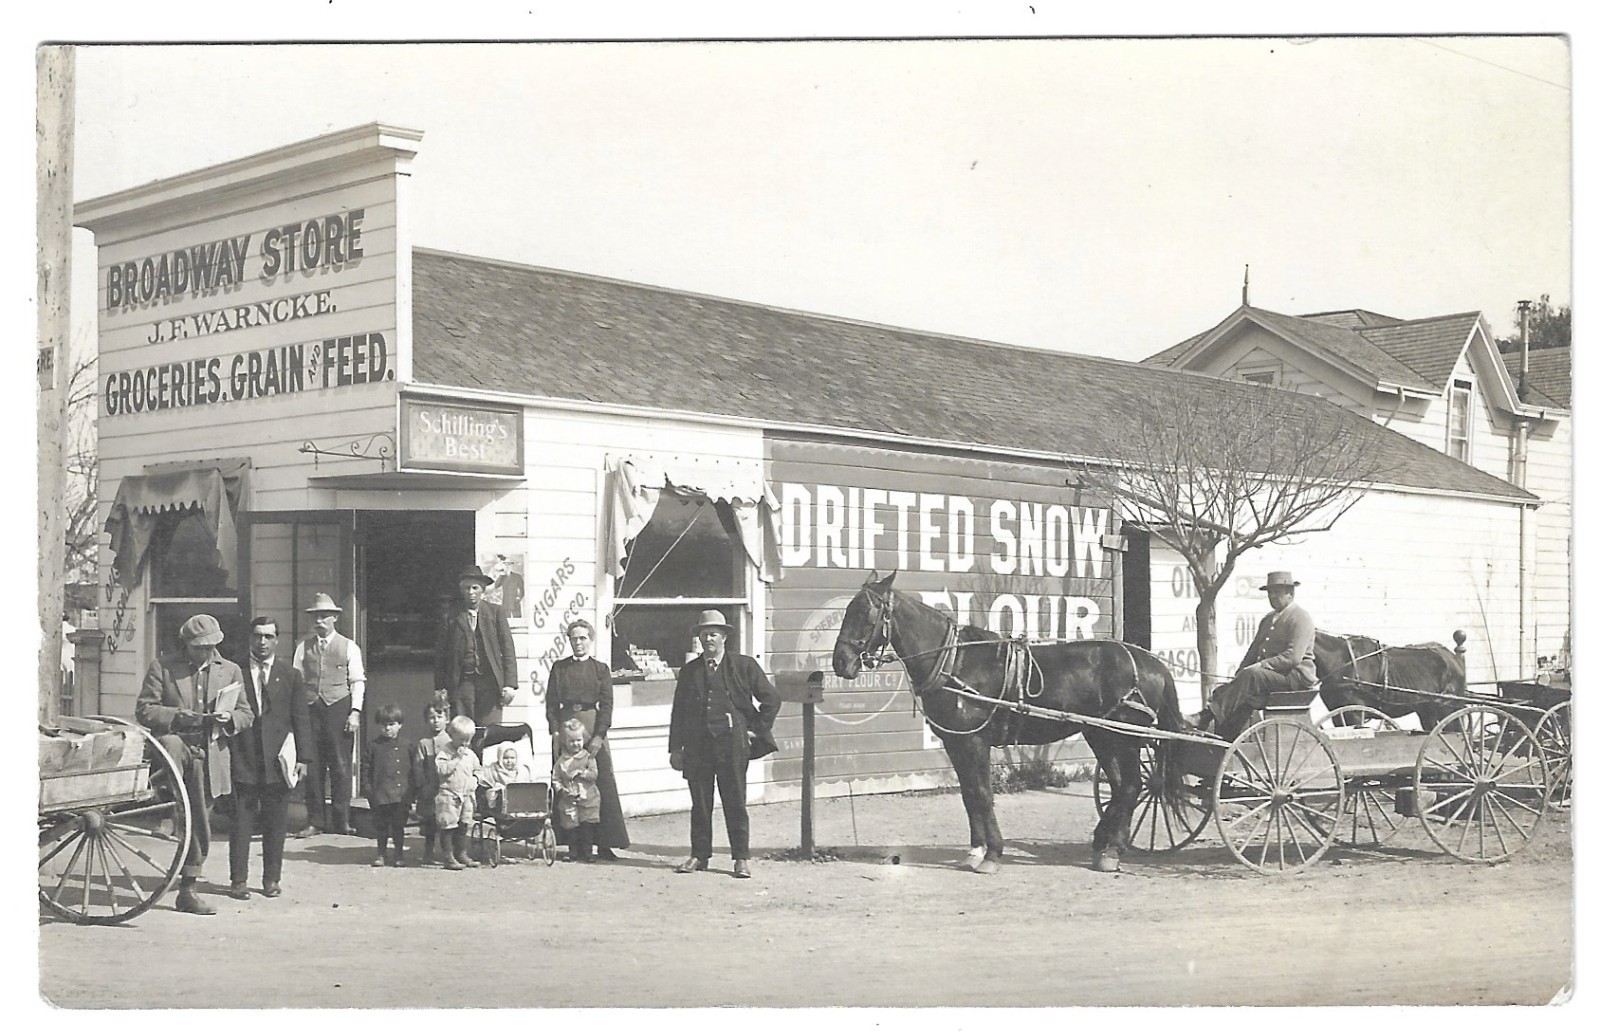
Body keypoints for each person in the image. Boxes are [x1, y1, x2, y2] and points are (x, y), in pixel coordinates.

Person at [136, 613, 249, 914]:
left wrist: (230, 720)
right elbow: (145, 710)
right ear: (186, 645)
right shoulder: (163, 667)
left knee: (200, 823)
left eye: (212, 645)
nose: (207, 652)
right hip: (176, 747)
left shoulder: (231, 671)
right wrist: (175, 716)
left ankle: (188, 888)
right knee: (171, 744)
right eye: (200, 647)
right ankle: (168, 806)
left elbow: (246, 713)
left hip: (211, 753)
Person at [667, 610, 781, 879]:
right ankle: (699, 855)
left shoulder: (744, 666)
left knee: (735, 802)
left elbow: (771, 700)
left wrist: (755, 730)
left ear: (725, 637)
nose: (709, 639)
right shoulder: (690, 671)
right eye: (704, 634)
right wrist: (675, 748)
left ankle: (740, 858)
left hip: (732, 745)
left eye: (714, 634)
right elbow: (679, 712)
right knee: (700, 804)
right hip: (697, 747)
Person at [226, 616, 311, 901]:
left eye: (268, 637)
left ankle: (271, 880)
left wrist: (304, 757)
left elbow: (301, 719)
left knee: (276, 823)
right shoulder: (233, 671)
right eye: (258, 636)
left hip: (278, 761)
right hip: (244, 756)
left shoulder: (291, 675)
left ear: (277, 640)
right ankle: (238, 881)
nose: (262, 642)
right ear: (250, 638)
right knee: (241, 823)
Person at [545, 618, 631, 860]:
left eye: (583, 638)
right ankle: (572, 844)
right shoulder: (559, 668)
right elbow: (551, 703)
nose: (578, 642)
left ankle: (604, 843)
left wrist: (599, 736)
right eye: (574, 638)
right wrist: (555, 731)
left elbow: (607, 706)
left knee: (600, 782)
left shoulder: (600, 669)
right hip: (566, 727)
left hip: (592, 725)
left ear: (590, 640)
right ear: (569, 641)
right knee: (566, 780)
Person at [1208, 570, 1318, 739]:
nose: (1272, 596)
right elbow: (1253, 651)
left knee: (1254, 675)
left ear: (1290, 593)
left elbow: (1293, 657)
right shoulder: (1268, 619)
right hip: (1273, 677)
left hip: (1295, 678)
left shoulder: (1300, 618)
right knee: (1224, 691)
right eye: (1270, 592)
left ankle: (1206, 716)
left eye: (1277, 591)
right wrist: (1238, 677)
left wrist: (1261, 666)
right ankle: (1226, 740)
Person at [293, 592, 366, 837]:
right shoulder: (303, 647)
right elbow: (296, 681)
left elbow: (357, 681)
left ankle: (341, 820)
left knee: (340, 766)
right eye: (315, 617)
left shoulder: (349, 646)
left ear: (335, 618)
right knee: (312, 766)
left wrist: (355, 712)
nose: (319, 621)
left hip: (339, 709)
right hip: (311, 709)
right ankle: (315, 821)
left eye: (324, 616)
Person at [435, 566, 518, 724]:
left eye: (475, 588)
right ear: (461, 590)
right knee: (462, 729)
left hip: (490, 683)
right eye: (467, 588)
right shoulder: (451, 616)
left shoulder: (495, 613)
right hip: (462, 684)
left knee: (489, 731)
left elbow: (508, 650)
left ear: (483, 589)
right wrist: (439, 687)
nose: (471, 592)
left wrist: (510, 684)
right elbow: (441, 655)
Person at [362, 703, 411, 867]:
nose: (387, 728)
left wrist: (411, 793)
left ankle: (398, 854)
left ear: (400, 725)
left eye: (391, 724)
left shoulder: (407, 745)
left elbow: (413, 770)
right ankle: (381, 854)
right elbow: (366, 770)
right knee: (381, 827)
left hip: (400, 795)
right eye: (384, 725)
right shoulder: (373, 746)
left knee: (398, 826)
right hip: (381, 794)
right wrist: (369, 791)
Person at [435, 715, 486, 871]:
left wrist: (476, 779)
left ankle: (461, 853)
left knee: (464, 825)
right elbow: (441, 770)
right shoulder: (446, 752)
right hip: (449, 795)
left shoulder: (470, 755)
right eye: (461, 740)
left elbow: (479, 769)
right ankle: (448, 857)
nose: (464, 744)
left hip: (466, 796)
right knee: (448, 826)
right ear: (451, 736)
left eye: (468, 740)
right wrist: (456, 759)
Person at [553, 717, 601, 862]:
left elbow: (594, 774)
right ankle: (573, 851)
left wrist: (583, 773)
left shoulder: (588, 758)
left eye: (578, 740)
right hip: (569, 799)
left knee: (587, 826)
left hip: (588, 797)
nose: (575, 744)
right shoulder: (562, 761)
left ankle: (587, 852)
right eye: (571, 741)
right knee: (571, 826)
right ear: (565, 742)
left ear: (584, 739)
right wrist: (561, 790)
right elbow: (556, 779)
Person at [410, 701, 451, 865]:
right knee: (429, 822)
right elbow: (418, 766)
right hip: (429, 789)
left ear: (447, 719)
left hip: (447, 789)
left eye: (439, 717)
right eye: (431, 717)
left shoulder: (451, 742)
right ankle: (428, 851)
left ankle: (449, 853)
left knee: (448, 822)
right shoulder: (424, 743)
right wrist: (422, 785)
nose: (436, 721)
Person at [481, 742, 532, 811]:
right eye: (505, 758)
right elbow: (488, 789)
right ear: (500, 757)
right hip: (501, 804)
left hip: (522, 802)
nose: (509, 761)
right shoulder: (492, 770)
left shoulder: (523, 770)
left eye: (512, 758)